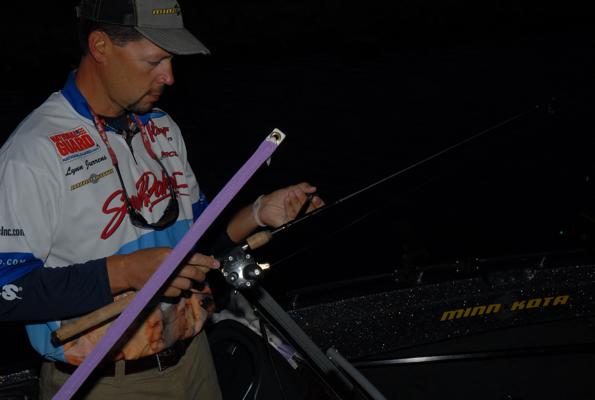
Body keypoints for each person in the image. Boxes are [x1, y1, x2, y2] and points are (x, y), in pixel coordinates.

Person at [0, 0, 323, 398]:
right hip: (107, 383)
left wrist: (257, 214)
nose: (169, 77)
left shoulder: (162, 128)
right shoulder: (33, 152)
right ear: (100, 47)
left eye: (171, 61)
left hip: (196, 359)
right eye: (154, 61)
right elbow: (6, 293)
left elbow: (197, 244)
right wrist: (125, 272)